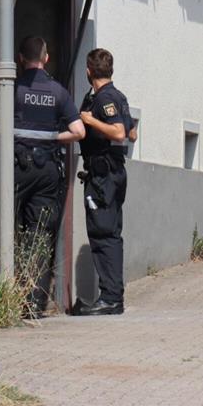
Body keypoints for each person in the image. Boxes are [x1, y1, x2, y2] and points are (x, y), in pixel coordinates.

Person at [14, 36, 85, 317]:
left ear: (20, 59)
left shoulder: (15, 88)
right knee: (40, 234)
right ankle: (33, 304)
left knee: (11, 228)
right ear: (46, 59)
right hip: (46, 171)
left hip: (17, 167)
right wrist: (55, 137)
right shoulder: (58, 92)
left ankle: (11, 294)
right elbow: (79, 131)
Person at [72, 48, 135, 316]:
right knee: (110, 232)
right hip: (112, 172)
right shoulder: (118, 97)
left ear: (89, 71)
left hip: (104, 176)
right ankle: (111, 296)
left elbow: (120, 133)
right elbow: (133, 132)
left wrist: (90, 120)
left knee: (103, 233)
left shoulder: (105, 99)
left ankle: (110, 298)